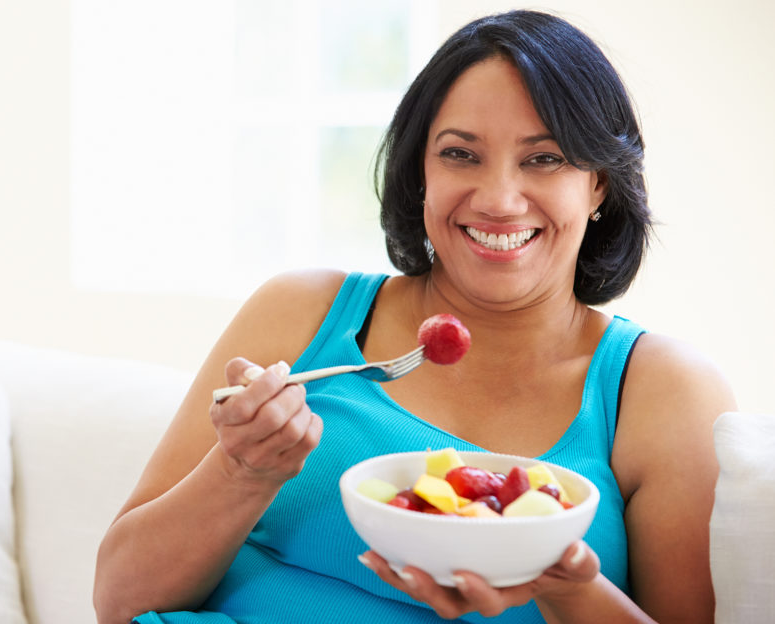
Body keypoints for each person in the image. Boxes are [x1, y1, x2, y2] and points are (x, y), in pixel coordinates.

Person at [93, 9, 736, 623]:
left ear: (599, 183)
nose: (499, 199)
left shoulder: (664, 390)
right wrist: (243, 470)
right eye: (460, 154)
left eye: (545, 158)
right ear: (419, 170)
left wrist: (563, 581)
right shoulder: (301, 311)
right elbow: (119, 598)